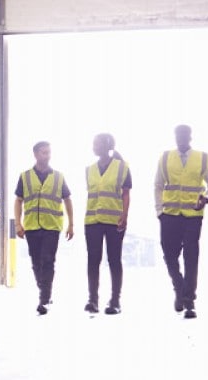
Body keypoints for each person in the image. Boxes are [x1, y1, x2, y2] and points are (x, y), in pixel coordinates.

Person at [155, 124, 208, 319]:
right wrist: (159, 211)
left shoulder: (202, 158)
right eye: (177, 135)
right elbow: (158, 185)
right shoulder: (165, 158)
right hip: (169, 215)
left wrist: (206, 198)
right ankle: (179, 287)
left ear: (190, 137)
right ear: (174, 137)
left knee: (191, 257)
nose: (180, 138)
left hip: (192, 215)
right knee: (169, 254)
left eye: (184, 135)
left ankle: (189, 301)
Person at [14, 141, 74, 315]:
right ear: (35, 154)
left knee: (48, 261)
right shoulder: (25, 177)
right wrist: (18, 223)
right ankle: (45, 290)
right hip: (32, 226)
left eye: (49, 152)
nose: (47, 155)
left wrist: (71, 224)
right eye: (43, 152)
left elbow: (67, 199)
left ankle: (44, 299)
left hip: (52, 226)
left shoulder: (58, 177)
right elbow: (18, 200)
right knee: (35, 262)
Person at [84, 133, 131, 315]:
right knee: (93, 260)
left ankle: (115, 301)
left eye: (96, 143)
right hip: (92, 221)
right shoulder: (89, 169)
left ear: (107, 145)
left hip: (114, 221)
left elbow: (126, 194)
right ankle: (92, 300)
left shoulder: (122, 167)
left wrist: (125, 215)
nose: (93, 146)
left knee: (114, 260)